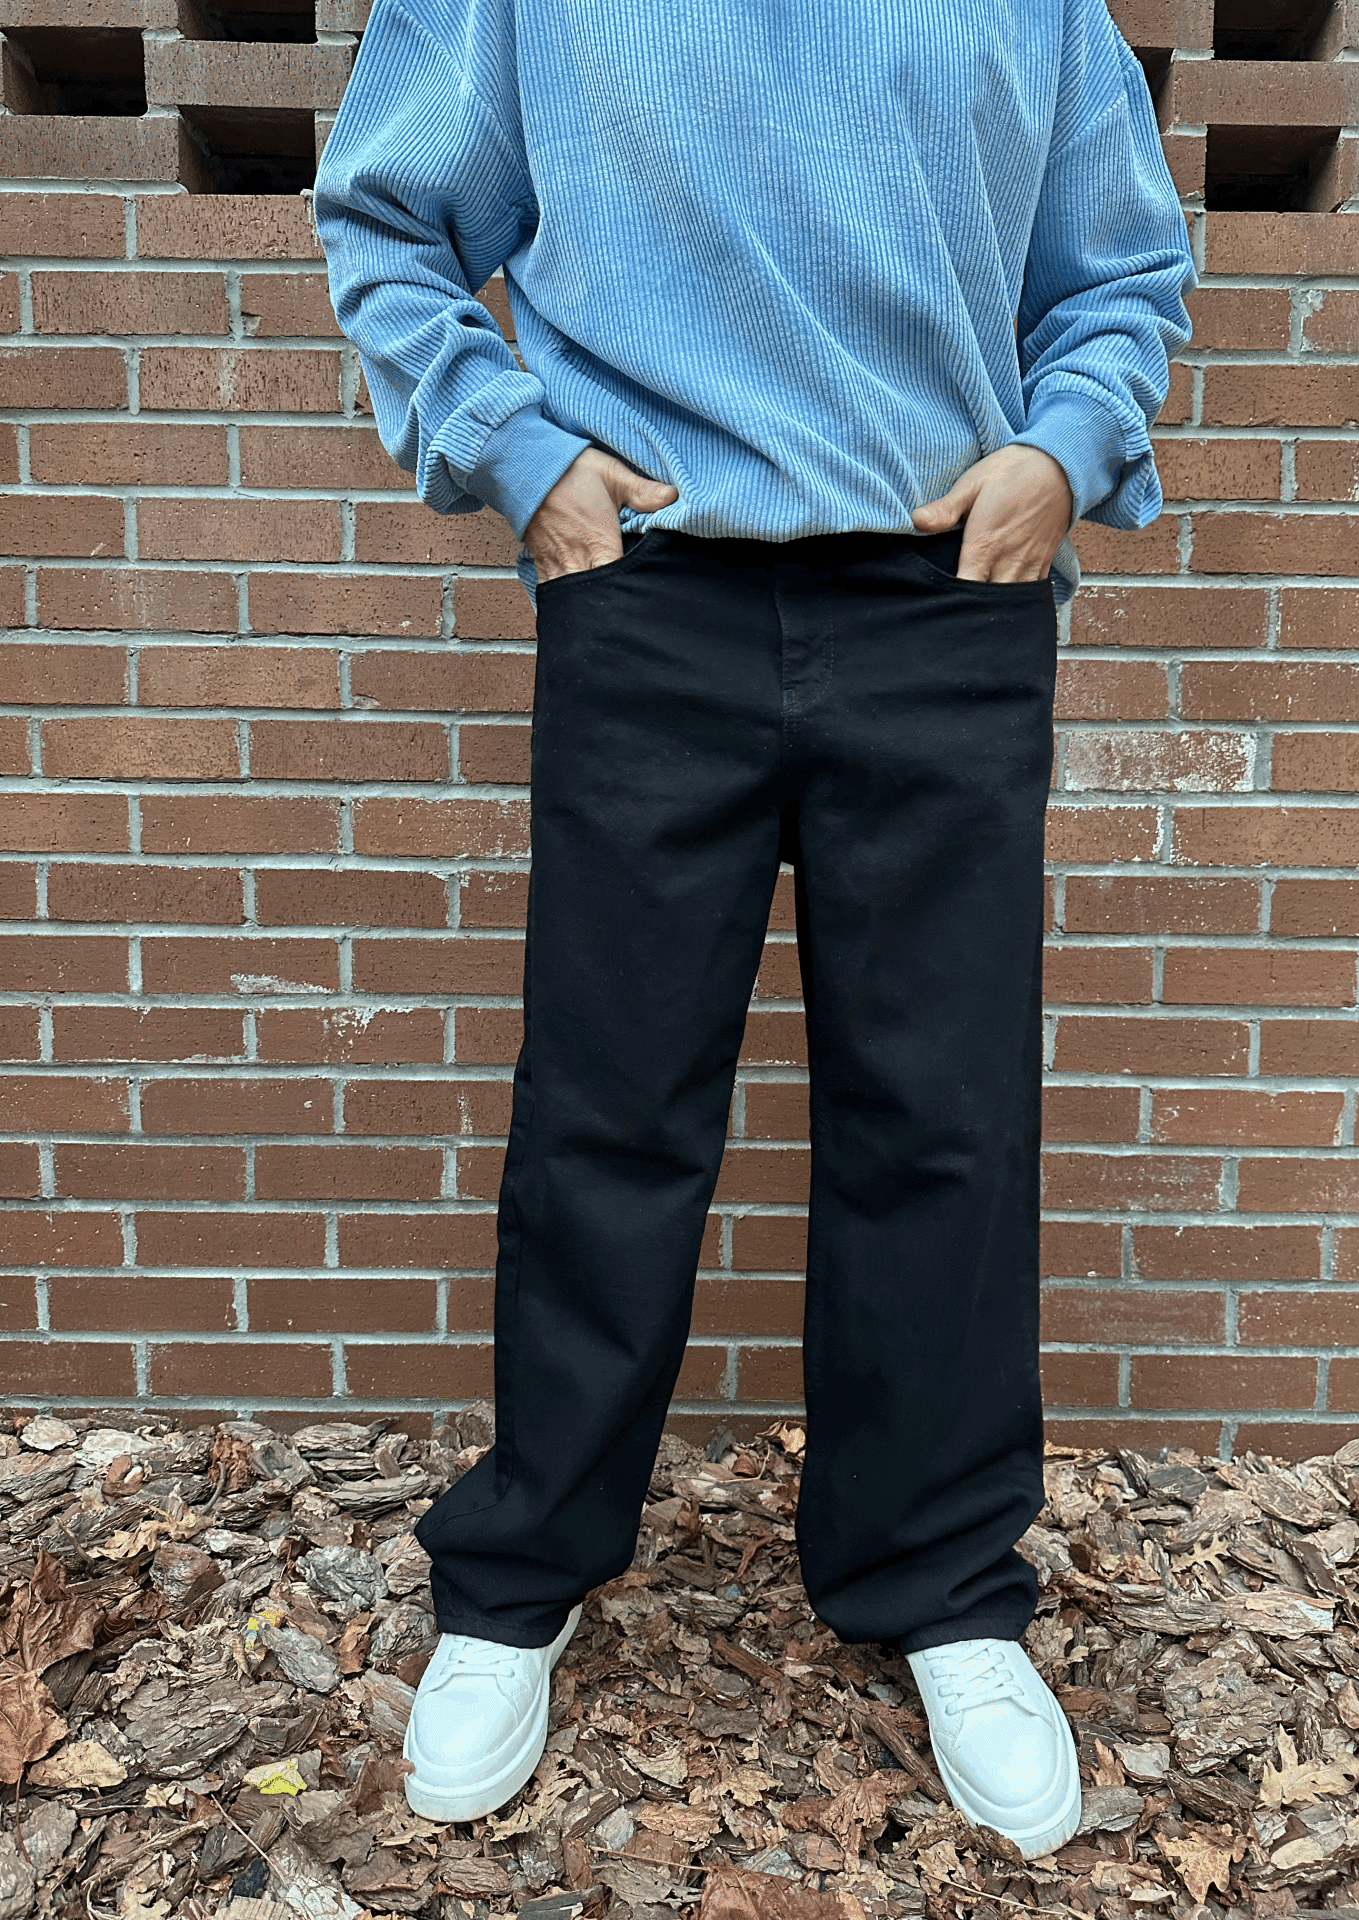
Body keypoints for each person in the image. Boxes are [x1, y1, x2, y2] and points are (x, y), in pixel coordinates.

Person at [312, 0, 1196, 1859]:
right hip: (653, 589)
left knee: (942, 1122)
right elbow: (387, 211)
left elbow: (1118, 267)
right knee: (609, 1110)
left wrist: (1067, 443)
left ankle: (941, 1583)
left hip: (946, 585)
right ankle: (521, 1578)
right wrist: (507, 443)